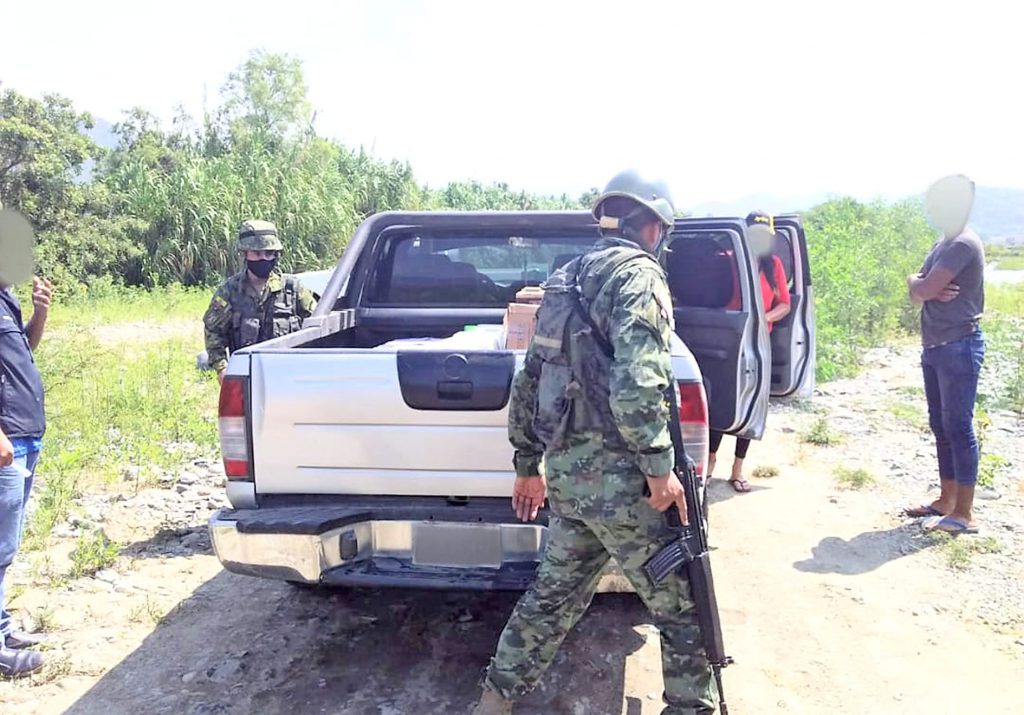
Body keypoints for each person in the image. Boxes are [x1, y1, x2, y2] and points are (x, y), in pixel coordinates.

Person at [472, 170, 717, 715]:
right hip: (627, 486)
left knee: (552, 599)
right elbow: (638, 383)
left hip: (570, 480)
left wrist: (527, 463)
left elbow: (531, 377)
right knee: (682, 608)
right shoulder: (640, 278)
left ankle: (494, 701)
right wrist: (659, 469)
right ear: (653, 227)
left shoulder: (565, 280)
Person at [904, 174, 985, 534]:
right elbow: (918, 290)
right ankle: (946, 500)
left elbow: (925, 286)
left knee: (958, 426)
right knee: (941, 425)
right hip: (937, 346)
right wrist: (917, 284)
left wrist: (919, 284)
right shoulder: (944, 243)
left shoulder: (962, 245)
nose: (932, 207)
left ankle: (963, 514)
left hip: (958, 345)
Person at [708, 211, 790, 492]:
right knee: (722, 400)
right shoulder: (728, 259)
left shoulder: (774, 265)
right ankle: (709, 463)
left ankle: (737, 468)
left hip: (758, 342)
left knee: (751, 403)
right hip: (729, 338)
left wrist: (763, 318)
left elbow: (785, 304)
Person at [0, 275, 52, 677]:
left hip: (25, 434)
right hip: (6, 441)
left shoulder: (5, 297)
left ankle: (3, 630)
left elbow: (24, 350)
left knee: (6, 547)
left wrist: (40, 314)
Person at [203, 220, 317, 383]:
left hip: (290, 377)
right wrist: (222, 368)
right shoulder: (229, 292)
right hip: (248, 378)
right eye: (257, 253)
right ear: (245, 254)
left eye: (268, 253)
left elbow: (316, 327)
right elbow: (213, 331)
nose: (263, 258)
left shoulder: (293, 290)